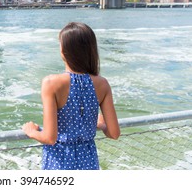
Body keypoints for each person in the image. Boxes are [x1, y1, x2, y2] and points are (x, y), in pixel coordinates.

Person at [22, 22, 120, 170]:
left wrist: (31, 132)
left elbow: (50, 137)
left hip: (60, 162)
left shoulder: (51, 83)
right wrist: (102, 125)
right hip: (88, 161)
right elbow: (114, 133)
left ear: (64, 51)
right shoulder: (102, 84)